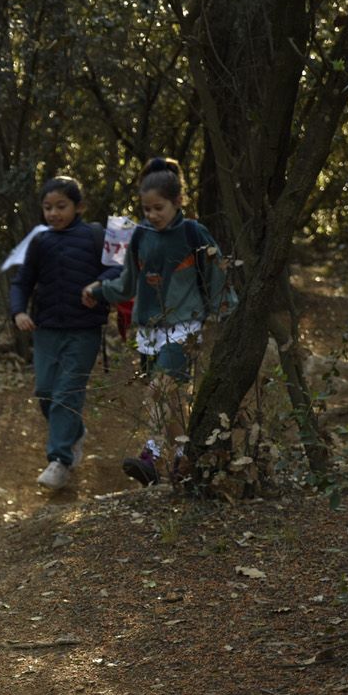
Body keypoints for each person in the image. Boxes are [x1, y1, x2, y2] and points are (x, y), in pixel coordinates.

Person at [84, 158, 236, 485]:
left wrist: (228, 315)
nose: (152, 215)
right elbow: (127, 282)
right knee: (167, 400)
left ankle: (150, 456)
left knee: (157, 392)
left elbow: (216, 274)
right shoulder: (139, 235)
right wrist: (99, 290)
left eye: (159, 208)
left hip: (185, 326)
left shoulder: (193, 232)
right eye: (146, 209)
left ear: (178, 201)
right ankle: (184, 461)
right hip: (150, 329)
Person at [10, 176, 111, 490]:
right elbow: (22, 280)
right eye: (47, 207)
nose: (53, 213)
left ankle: (59, 460)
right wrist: (19, 311)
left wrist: (99, 285)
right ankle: (74, 431)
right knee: (45, 392)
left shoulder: (95, 236)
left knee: (67, 393)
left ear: (79, 206)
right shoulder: (40, 241)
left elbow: (119, 270)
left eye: (61, 206)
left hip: (84, 330)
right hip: (47, 330)